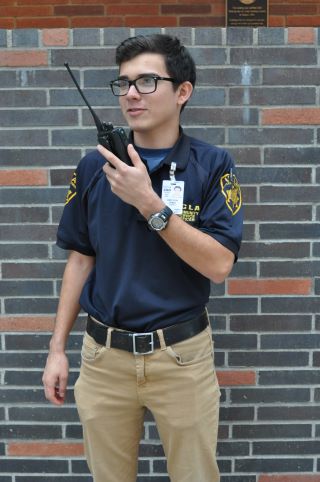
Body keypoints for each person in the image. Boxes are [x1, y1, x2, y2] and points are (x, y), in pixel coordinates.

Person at [42, 33, 243, 482]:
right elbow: (79, 259)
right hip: (103, 358)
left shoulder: (212, 165)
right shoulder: (95, 167)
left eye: (148, 81)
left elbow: (219, 265)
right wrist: (57, 349)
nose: (131, 93)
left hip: (182, 358)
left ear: (183, 91)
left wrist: (150, 204)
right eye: (124, 83)